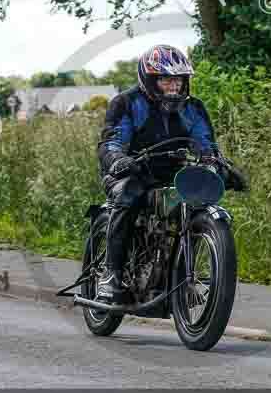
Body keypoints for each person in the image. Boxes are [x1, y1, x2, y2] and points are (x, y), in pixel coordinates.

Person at [95, 44, 247, 305]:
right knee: (129, 195)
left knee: (195, 200)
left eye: (178, 80)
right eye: (166, 80)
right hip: (130, 172)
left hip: (174, 173)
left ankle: (176, 275)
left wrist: (216, 163)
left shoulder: (193, 108)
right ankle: (112, 274)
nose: (174, 87)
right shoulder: (127, 103)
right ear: (150, 81)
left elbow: (205, 142)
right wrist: (119, 159)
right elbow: (112, 141)